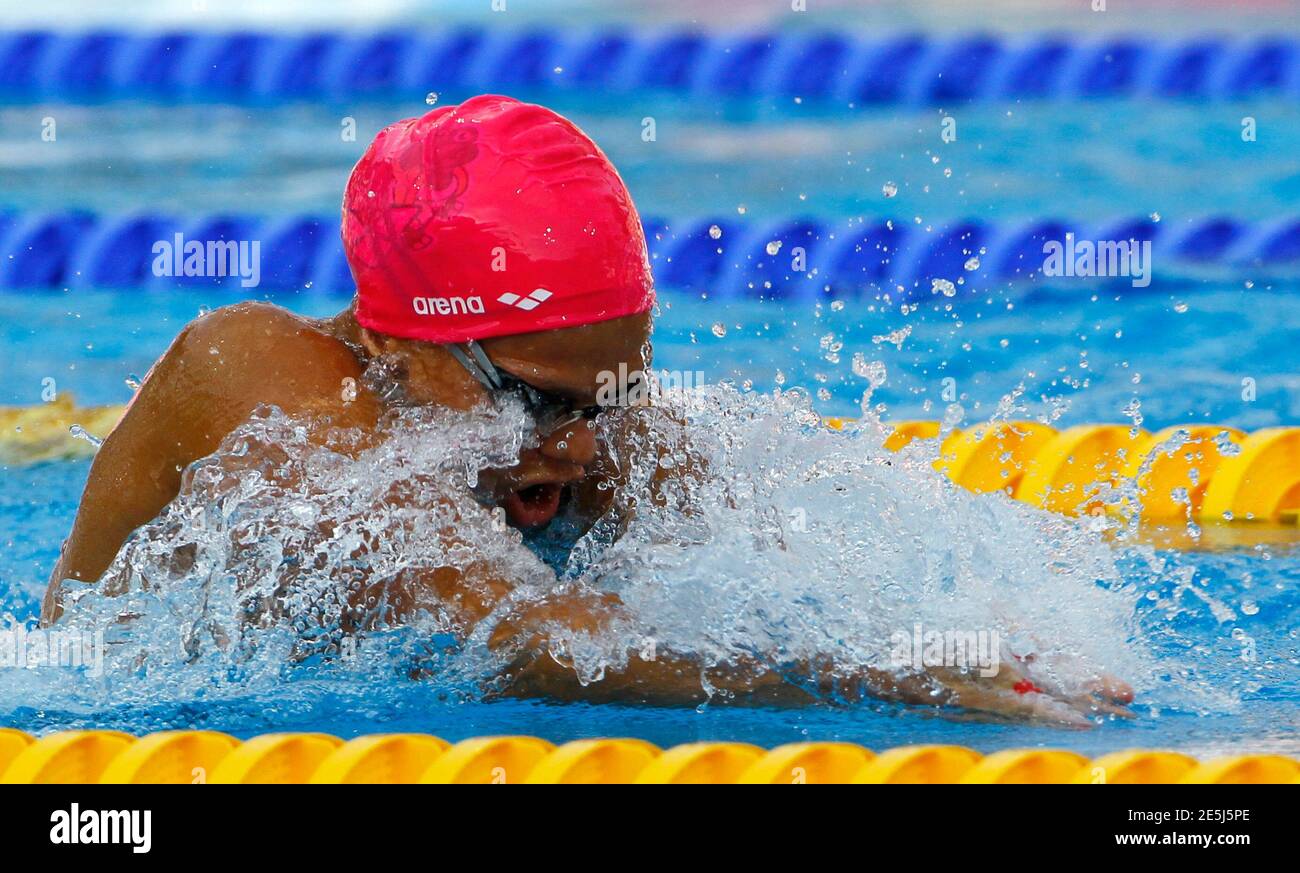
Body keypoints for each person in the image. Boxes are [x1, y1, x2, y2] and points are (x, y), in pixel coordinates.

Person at [42, 95, 1130, 721]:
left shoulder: (603, 432)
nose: (577, 444)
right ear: (394, 340)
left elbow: (745, 602)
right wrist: (883, 687)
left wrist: (959, 650)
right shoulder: (264, 374)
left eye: (616, 395)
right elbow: (531, 643)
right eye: (531, 398)